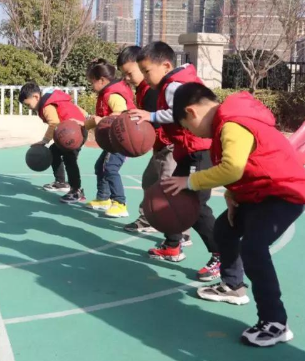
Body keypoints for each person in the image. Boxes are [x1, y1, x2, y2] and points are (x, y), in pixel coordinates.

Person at [164, 82, 305, 347]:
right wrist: (232, 196)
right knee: (224, 230)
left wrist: (189, 182)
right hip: (258, 193)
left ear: (191, 112)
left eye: (185, 126)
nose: (189, 132)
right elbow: (248, 166)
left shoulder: (232, 124)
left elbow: (233, 168)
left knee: (254, 247)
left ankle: (275, 322)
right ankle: (233, 286)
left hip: (283, 193)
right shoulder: (225, 123)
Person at [128, 42, 220, 281]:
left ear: (166, 65)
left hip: (198, 151)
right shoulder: (176, 82)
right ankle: (172, 245)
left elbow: (180, 112)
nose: (145, 78)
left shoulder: (174, 85)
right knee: (171, 195)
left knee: (196, 206)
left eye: (147, 71)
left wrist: (151, 115)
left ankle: (221, 255)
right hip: (187, 151)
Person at [117, 46, 192, 244]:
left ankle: (182, 232)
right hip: (160, 146)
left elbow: (161, 118)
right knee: (149, 181)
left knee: (170, 190)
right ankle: (147, 220)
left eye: (131, 73)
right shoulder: (144, 89)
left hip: (171, 147)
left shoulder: (156, 90)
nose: (127, 78)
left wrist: (139, 122)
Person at [19, 82, 88, 203]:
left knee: (69, 160)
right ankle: (61, 182)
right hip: (69, 133)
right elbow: (75, 108)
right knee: (53, 152)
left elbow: (54, 123)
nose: (29, 107)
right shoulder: (54, 100)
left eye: (28, 104)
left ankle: (76, 191)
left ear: (36, 97)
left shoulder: (46, 106)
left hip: (74, 134)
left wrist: (44, 141)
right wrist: (87, 116)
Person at [82, 59, 134, 218]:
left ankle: (120, 203)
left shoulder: (113, 94)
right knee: (100, 166)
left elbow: (121, 113)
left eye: (92, 82)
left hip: (123, 139)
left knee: (110, 168)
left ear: (102, 80)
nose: (92, 86)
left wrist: (102, 120)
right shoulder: (107, 93)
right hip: (113, 140)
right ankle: (103, 198)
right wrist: (83, 125)